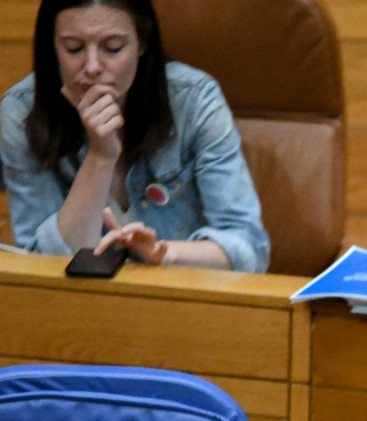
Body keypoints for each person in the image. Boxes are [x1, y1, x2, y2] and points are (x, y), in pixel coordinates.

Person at [1, 0, 269, 273]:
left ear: (142, 44)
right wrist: (100, 156)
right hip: (80, 309)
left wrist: (165, 254)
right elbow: (41, 267)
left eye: (113, 48)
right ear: (53, 48)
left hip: (186, 299)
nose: (92, 67)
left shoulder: (194, 100)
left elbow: (249, 247)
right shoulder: (22, 113)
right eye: (74, 48)